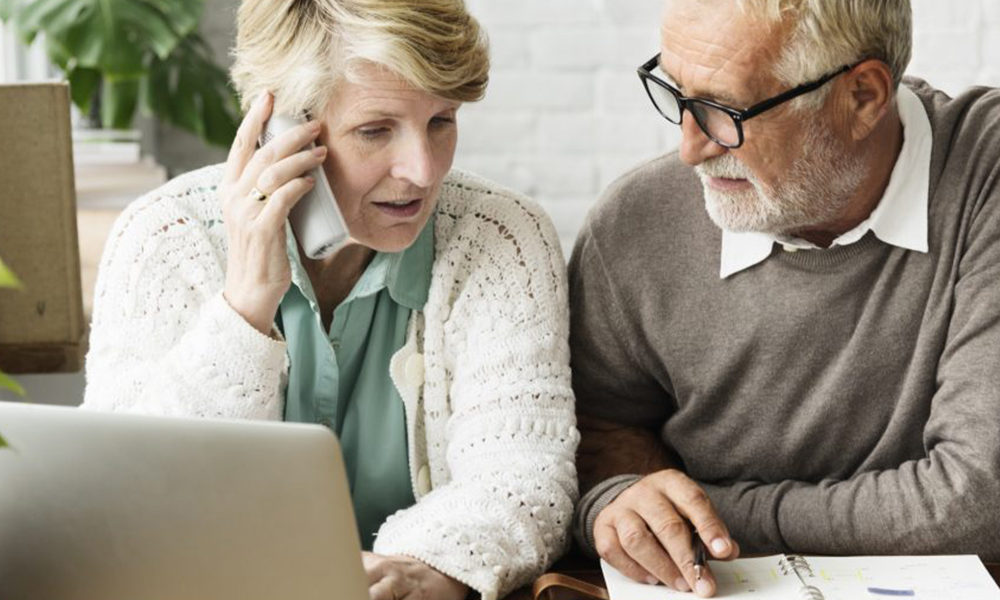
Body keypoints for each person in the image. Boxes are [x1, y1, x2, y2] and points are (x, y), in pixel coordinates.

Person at [81, 1, 579, 598]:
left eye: (441, 121)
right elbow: (126, 502)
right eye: (375, 130)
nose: (422, 171)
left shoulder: (502, 237)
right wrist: (244, 307)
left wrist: (421, 570)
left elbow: (525, 477)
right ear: (282, 128)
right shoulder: (163, 239)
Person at [570, 0, 1000, 597]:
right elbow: (583, 437)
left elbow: (976, 502)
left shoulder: (986, 175)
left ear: (864, 98)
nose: (690, 148)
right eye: (677, 93)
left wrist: (707, 514)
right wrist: (621, 501)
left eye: (723, 110)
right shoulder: (635, 225)